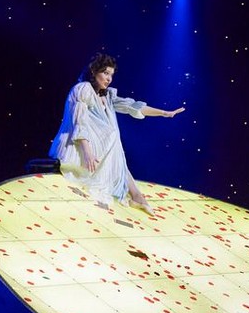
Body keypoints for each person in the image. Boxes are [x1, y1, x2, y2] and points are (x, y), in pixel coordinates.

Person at [49, 52, 185, 215]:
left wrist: (164, 113)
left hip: (103, 148)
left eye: (111, 75)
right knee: (113, 137)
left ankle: (136, 195)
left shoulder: (108, 96)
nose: (109, 79)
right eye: (105, 73)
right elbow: (79, 121)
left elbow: (134, 107)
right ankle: (136, 196)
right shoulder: (83, 89)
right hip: (82, 145)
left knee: (115, 139)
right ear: (93, 71)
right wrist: (88, 151)